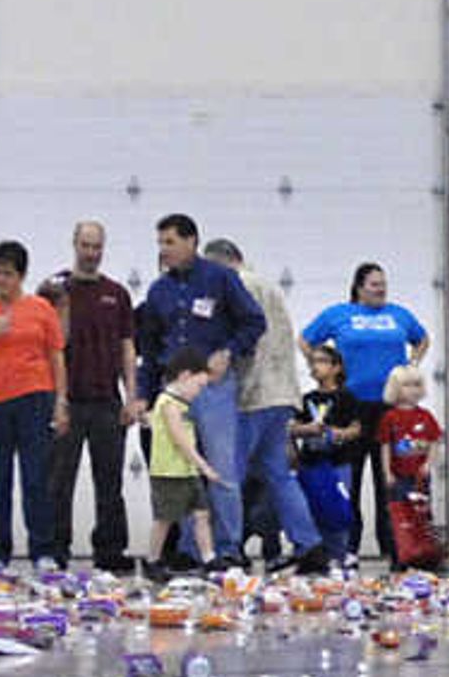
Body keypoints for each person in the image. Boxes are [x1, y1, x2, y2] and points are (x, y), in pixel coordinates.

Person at [128, 219, 264, 565]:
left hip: (214, 387)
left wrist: (229, 351)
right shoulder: (159, 291)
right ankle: (192, 550)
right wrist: (144, 393)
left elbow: (254, 321)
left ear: (191, 242)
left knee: (221, 467)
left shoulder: (221, 279)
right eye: (160, 242)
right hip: (174, 393)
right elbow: (150, 348)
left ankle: (230, 547)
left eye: (170, 242)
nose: (164, 249)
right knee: (182, 469)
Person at [199, 237, 317, 569]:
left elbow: (242, 341)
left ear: (220, 262)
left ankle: (228, 546)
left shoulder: (234, 286)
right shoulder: (270, 287)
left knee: (228, 473)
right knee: (279, 474)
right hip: (282, 393)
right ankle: (308, 542)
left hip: (252, 394)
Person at [0, 240, 65, 569]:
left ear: (21, 275)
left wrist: (61, 400)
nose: (1, 280)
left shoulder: (41, 309)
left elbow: (56, 355)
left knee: (36, 478)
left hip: (35, 397)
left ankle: (42, 550)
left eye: (7, 274)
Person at [37, 221, 138, 570]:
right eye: (85, 245)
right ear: (74, 244)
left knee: (109, 481)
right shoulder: (53, 291)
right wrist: (55, 401)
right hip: (68, 401)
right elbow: (49, 346)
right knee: (58, 481)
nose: (91, 253)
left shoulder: (117, 294)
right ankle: (55, 548)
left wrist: (131, 396)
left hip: (107, 401)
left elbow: (127, 348)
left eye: (97, 246)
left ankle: (110, 551)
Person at [299, 264, 428, 457]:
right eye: (375, 285)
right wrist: (320, 369)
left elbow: (422, 339)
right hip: (351, 403)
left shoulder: (399, 314)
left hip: (390, 403)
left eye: (383, 284)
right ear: (359, 288)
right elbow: (305, 340)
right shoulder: (338, 314)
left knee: (388, 469)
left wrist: (412, 364)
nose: (381, 289)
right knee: (351, 467)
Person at [290, 342, 370, 560]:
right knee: (311, 507)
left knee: (338, 509)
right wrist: (306, 429)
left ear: (337, 368)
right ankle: (312, 553)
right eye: (312, 362)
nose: (316, 366)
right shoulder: (307, 399)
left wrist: (339, 434)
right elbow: (292, 428)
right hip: (310, 463)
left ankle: (341, 554)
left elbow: (356, 429)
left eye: (322, 362)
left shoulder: (347, 397)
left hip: (339, 463)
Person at [139, 349, 214, 572]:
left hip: (187, 470)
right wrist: (204, 465)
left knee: (201, 514)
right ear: (184, 376)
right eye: (199, 386)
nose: (199, 392)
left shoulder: (180, 404)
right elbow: (179, 439)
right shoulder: (169, 403)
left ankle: (209, 557)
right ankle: (152, 559)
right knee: (165, 519)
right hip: (169, 472)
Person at [376, 367, 444, 569]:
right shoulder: (390, 417)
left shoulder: (425, 416)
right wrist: (387, 472)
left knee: (421, 514)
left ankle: (423, 552)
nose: (412, 390)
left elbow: (434, 442)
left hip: (419, 477)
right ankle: (400, 555)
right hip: (398, 477)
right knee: (399, 516)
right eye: (406, 385)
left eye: (417, 385)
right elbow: (385, 446)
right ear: (396, 389)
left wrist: (428, 464)